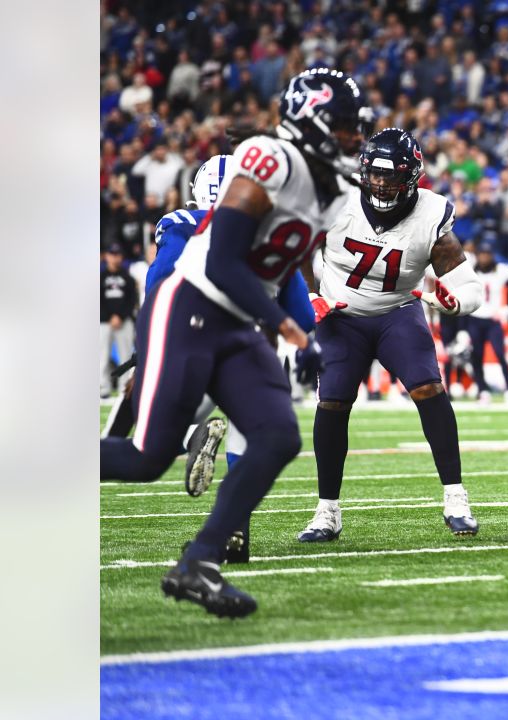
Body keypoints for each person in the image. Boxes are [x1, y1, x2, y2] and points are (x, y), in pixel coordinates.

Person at [100, 68, 371, 618]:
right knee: (145, 458)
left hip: (238, 323)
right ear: (313, 120)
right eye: (343, 125)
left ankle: (199, 562)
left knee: (277, 437)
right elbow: (223, 261)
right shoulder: (268, 159)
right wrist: (292, 330)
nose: (353, 137)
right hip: (192, 307)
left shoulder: (336, 188)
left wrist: (311, 327)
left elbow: (286, 268)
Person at [298, 127, 483, 544]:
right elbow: (300, 250)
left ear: (413, 176)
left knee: (429, 390)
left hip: (397, 310)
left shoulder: (431, 214)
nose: (381, 183)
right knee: (332, 402)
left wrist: (457, 302)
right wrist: (308, 296)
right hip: (339, 312)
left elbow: (470, 286)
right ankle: (327, 510)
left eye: (391, 175)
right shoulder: (337, 200)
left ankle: (456, 498)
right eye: (375, 174)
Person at [468, 242, 508, 404]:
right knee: (476, 356)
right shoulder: (470, 271)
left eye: (487, 254)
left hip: (493, 319)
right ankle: (482, 390)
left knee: (500, 354)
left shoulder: (503, 271)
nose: (484, 257)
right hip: (475, 318)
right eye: (481, 254)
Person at [100, 244, 138, 398]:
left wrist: (120, 316)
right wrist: (110, 316)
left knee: (126, 356)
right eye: (112, 254)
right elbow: (98, 299)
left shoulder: (128, 278)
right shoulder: (100, 278)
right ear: (106, 256)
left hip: (124, 321)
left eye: (117, 254)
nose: (114, 257)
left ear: (121, 257)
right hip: (104, 321)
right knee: (102, 355)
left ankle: (125, 387)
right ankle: (103, 387)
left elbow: (132, 300)